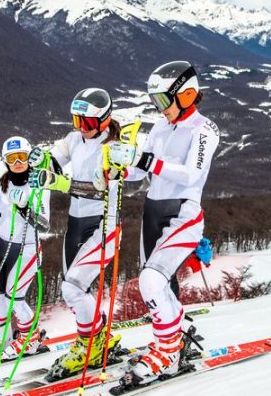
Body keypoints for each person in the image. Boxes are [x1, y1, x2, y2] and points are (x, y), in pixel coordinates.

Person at [106, 61, 220, 387]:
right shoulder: (160, 127)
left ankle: (168, 354)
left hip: (183, 211)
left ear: (186, 95)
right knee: (158, 282)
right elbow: (143, 171)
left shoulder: (204, 129)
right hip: (153, 211)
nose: (160, 108)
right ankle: (173, 338)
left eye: (162, 100)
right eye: (154, 101)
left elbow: (191, 174)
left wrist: (145, 160)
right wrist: (122, 168)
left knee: (151, 281)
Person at [27, 88, 124, 381]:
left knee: (71, 288)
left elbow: (100, 189)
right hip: (76, 222)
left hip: (103, 225)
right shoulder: (75, 138)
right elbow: (54, 160)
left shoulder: (114, 146)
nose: (82, 128)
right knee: (75, 289)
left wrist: (59, 184)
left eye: (88, 123)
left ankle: (90, 345)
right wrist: (41, 161)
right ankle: (95, 338)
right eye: (77, 121)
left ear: (104, 120)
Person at [0, 136, 50, 363]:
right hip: (2, 245)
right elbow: (0, 216)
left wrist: (24, 207)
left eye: (21, 157)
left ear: (29, 157)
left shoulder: (39, 183)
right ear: (5, 161)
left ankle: (30, 339)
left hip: (27, 247)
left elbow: (44, 224)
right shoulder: (3, 184)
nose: (17, 163)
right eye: (11, 159)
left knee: (15, 297)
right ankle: (0, 339)